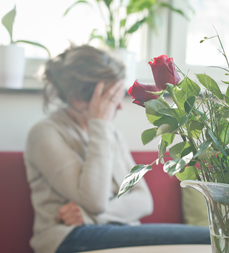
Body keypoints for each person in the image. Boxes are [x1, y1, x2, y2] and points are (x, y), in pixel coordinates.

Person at [24, 45, 210, 253]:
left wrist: (88, 216)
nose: (120, 106)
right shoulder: (45, 134)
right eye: (112, 98)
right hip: (71, 238)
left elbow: (144, 201)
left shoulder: (110, 134)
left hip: (114, 232)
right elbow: (95, 201)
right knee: (207, 239)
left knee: (208, 238)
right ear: (78, 99)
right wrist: (99, 125)